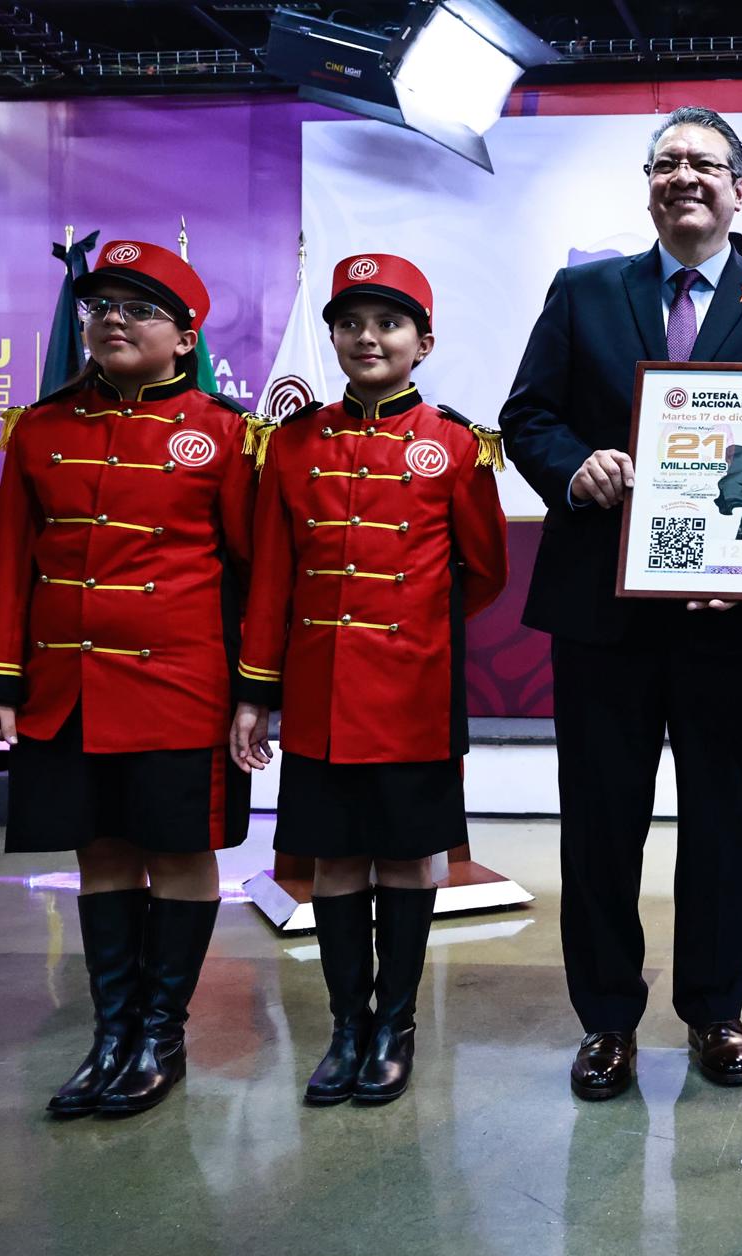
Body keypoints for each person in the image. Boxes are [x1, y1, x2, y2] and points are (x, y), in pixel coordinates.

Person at [500, 106, 742, 1101]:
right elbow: (528, 416)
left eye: (706, 164)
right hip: (603, 611)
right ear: (649, 184)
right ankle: (606, 1019)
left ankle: (714, 1010)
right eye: (668, 162)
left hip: (731, 612)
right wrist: (575, 467)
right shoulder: (583, 291)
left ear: (740, 189)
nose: (686, 176)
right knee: (601, 823)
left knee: (724, 820)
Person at [0, 239, 259, 1115]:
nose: (111, 320)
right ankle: (111, 1034)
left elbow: (253, 574)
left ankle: (160, 1036)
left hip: (179, 687)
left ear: (185, 337)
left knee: (178, 857)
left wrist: (255, 692)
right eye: (100, 306)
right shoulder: (41, 427)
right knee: (98, 855)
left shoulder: (223, 434)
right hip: (66, 688)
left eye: (138, 309)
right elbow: (8, 563)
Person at [230, 254, 508, 1106]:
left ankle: (396, 1026)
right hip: (317, 694)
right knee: (338, 864)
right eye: (350, 323)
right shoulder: (293, 444)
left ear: (423, 342)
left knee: (408, 861)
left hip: (414, 693)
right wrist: (257, 691)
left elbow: (485, 570)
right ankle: (347, 1025)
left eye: (387, 324)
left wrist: (411, 632)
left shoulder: (457, 444)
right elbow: (270, 577)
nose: (366, 338)